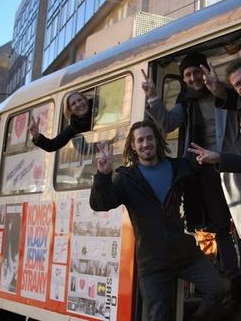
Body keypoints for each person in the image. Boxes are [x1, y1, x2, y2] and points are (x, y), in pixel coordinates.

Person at [90, 120, 228, 320]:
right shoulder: (126, 178)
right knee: (157, 317)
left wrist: (213, 157)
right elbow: (100, 204)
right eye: (140, 140)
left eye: (149, 138)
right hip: (152, 262)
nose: (145, 144)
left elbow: (203, 172)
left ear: (157, 140)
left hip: (185, 253)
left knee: (217, 289)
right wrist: (102, 176)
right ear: (133, 146)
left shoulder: (179, 166)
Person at [142, 55, 241, 286]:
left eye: (196, 72)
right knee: (203, 225)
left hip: (227, 164)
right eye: (187, 75)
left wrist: (217, 87)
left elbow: (230, 100)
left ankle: (233, 277)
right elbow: (168, 123)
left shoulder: (223, 92)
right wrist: (153, 97)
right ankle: (210, 278)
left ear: (205, 70)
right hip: (198, 170)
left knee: (228, 225)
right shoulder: (186, 99)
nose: (193, 78)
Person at [189, 59, 241, 306]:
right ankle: (239, 288)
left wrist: (219, 157)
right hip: (217, 168)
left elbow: (227, 96)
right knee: (231, 229)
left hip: (234, 167)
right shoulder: (189, 102)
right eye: (238, 83)